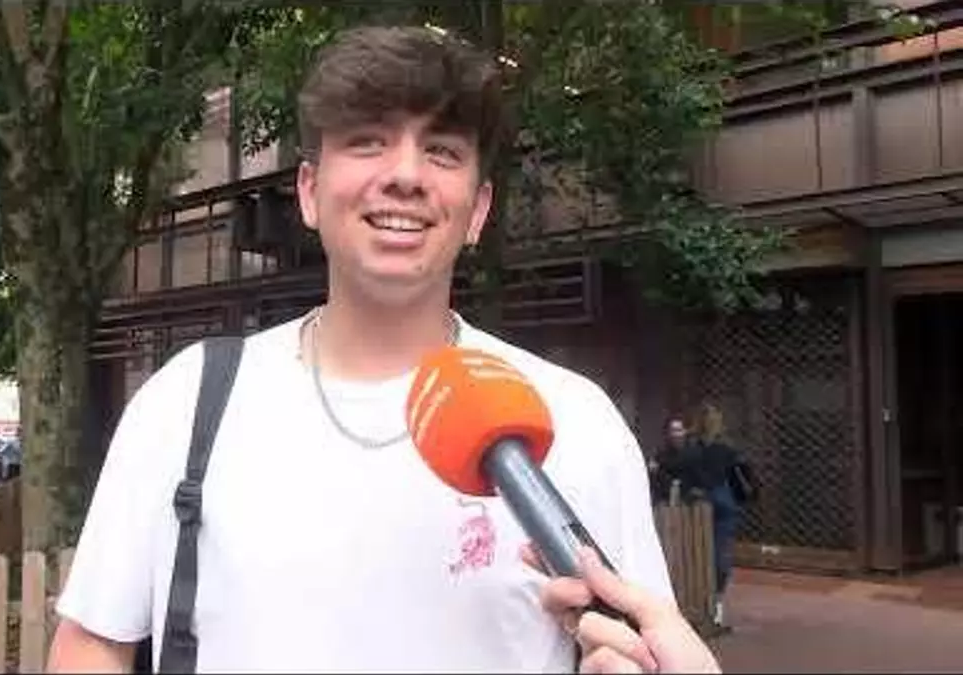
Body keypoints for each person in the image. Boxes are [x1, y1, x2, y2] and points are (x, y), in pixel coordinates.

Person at [48, 25, 720, 674]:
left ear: (478, 210)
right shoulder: (185, 401)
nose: (405, 175)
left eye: (443, 152)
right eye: (367, 142)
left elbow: (637, 639)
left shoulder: (577, 421)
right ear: (309, 192)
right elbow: (93, 646)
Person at [682, 403, 747, 632]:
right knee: (699, 560)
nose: (711, 422)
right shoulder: (692, 447)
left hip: (721, 510)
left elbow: (738, 477)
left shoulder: (726, 448)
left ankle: (715, 608)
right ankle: (703, 609)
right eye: (707, 419)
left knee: (719, 562)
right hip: (698, 510)